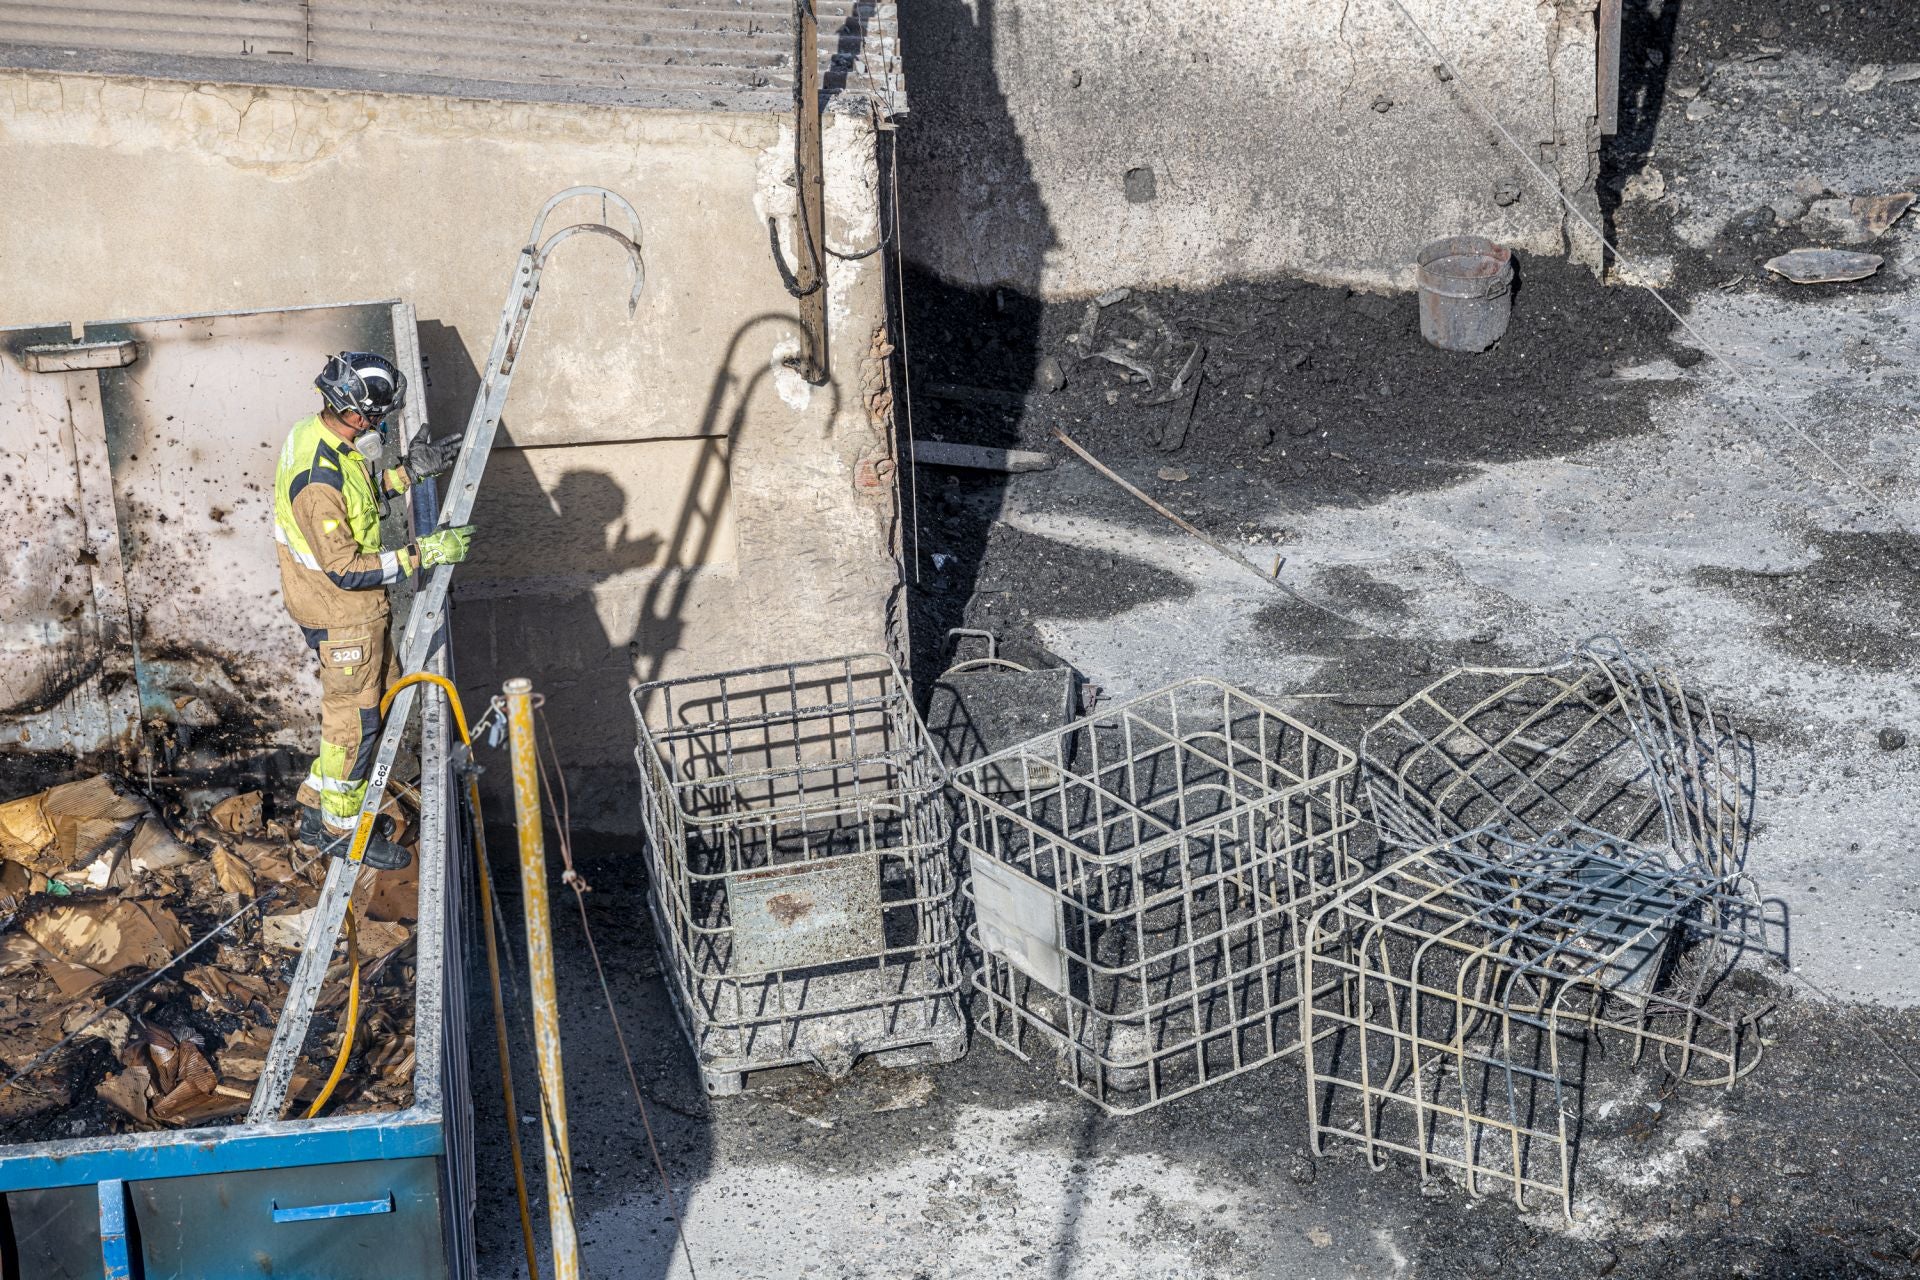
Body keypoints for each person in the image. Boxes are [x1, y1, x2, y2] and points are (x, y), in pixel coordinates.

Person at [271, 351, 474, 870]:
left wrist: (406, 475)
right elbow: (347, 568)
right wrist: (422, 553)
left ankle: (318, 810)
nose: (380, 426)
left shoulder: (319, 438)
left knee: (363, 708)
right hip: (342, 614)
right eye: (379, 418)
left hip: (349, 614)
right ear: (359, 414)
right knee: (354, 724)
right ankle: (342, 833)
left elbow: (356, 500)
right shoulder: (317, 480)